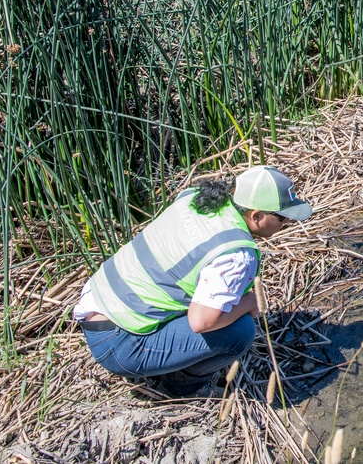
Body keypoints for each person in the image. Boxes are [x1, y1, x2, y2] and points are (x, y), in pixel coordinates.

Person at [73, 165, 313, 396]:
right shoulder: (236, 254)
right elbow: (201, 322)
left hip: (97, 301)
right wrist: (250, 302)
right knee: (240, 333)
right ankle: (180, 387)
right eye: (283, 218)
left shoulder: (196, 198)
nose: (287, 223)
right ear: (257, 216)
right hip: (119, 343)